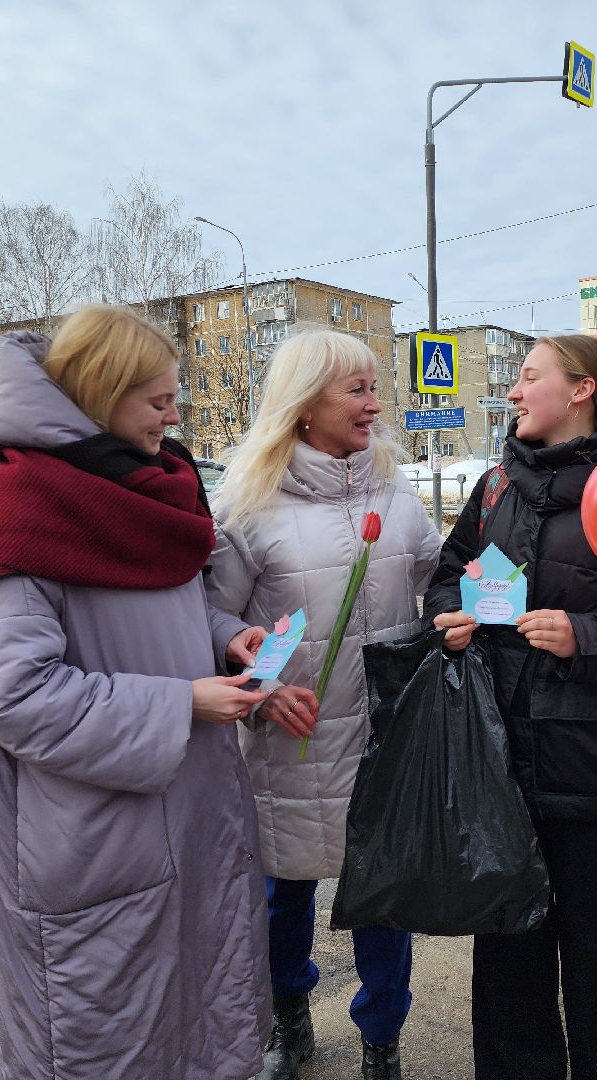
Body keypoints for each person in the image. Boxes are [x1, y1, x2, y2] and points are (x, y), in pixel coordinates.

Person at [0, 308, 272, 1079]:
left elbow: (156, 604)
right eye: (156, 400)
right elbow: (16, 695)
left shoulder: (131, 493)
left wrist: (224, 631)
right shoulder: (26, 514)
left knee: (191, 1023)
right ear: (100, 397)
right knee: (106, 1044)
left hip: (178, 819)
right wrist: (181, 702)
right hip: (95, 841)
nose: (175, 414)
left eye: (174, 397)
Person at [423, 335, 597, 1080]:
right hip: (499, 763)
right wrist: (451, 620)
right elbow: (448, 579)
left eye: (526, 377)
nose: (512, 393)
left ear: (580, 392)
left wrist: (584, 636)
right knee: (508, 956)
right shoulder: (496, 489)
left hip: (591, 771)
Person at [205, 330, 442, 1080]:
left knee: (384, 905)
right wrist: (253, 672)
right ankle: (289, 1021)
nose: (375, 404)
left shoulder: (396, 495)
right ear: (305, 405)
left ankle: (382, 1040)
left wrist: (469, 606)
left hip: (389, 740)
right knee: (282, 903)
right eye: (358, 390)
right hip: (290, 742)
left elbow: (443, 576)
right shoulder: (248, 506)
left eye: (375, 388)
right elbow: (207, 617)